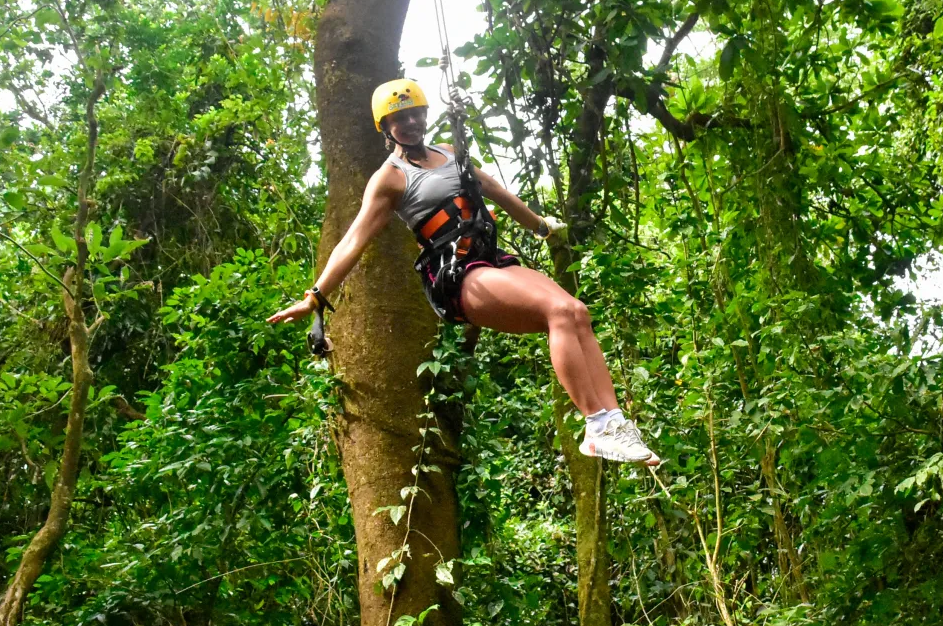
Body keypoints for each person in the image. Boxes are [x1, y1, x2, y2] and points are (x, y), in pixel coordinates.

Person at [269, 78, 658, 465]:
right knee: (557, 313)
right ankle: (595, 424)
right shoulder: (390, 178)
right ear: (386, 128)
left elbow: (496, 192)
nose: (409, 123)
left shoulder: (452, 152)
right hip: (456, 274)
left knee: (576, 311)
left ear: (425, 114)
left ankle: (615, 424)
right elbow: (353, 241)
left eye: (415, 114)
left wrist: (540, 226)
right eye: (398, 119)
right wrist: (315, 298)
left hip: (490, 258)